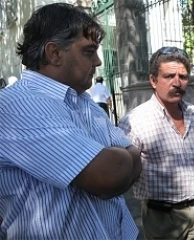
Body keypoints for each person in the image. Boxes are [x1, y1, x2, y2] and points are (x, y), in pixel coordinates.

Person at [0, 3, 141, 239]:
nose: (97, 62)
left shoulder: (86, 104)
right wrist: (125, 157)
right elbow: (112, 175)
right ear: (54, 53)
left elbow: (131, 163)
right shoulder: (18, 104)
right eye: (88, 51)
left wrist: (126, 159)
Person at [118, 46, 194, 240]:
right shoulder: (135, 121)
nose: (177, 83)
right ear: (153, 80)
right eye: (169, 76)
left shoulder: (193, 113)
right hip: (161, 217)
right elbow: (122, 174)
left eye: (183, 77)